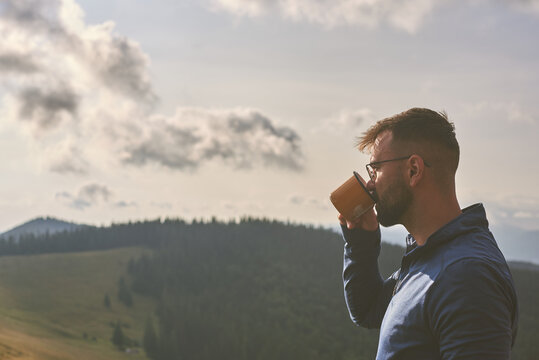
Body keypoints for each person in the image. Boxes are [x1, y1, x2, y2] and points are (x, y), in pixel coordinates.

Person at [339, 108, 518, 359]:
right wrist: (361, 243)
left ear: (414, 170)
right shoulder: (431, 255)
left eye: (376, 168)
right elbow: (368, 309)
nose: (370, 183)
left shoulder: (466, 275)